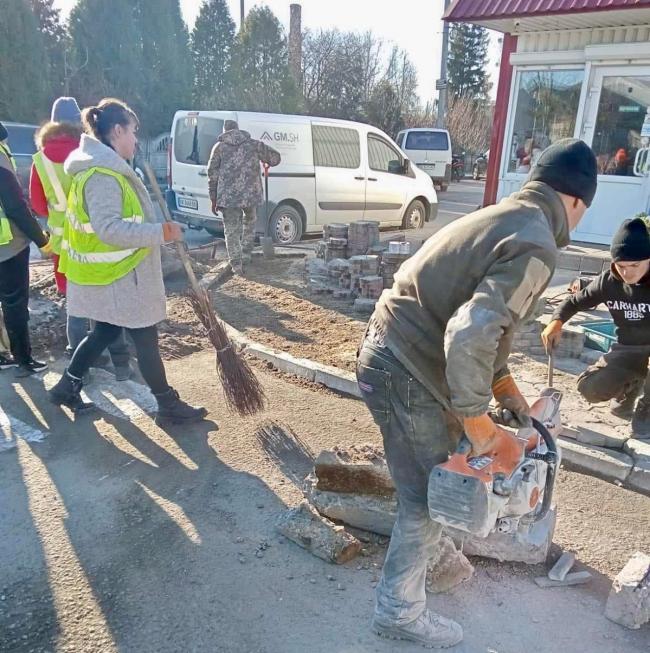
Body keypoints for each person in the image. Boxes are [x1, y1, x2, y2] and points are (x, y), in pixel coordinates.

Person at [357, 138, 597, 648]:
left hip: (394, 352)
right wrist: (478, 423)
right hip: (408, 364)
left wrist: (507, 393)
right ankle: (398, 610)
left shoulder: (509, 216)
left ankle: (431, 566)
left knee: (429, 481)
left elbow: (488, 334)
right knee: (429, 496)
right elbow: (468, 336)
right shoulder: (537, 242)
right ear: (576, 201)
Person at [48, 98, 207, 425]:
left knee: (104, 333)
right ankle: (167, 404)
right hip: (122, 275)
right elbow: (109, 229)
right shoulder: (103, 175)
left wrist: (159, 235)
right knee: (145, 339)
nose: (136, 139)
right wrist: (161, 232)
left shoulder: (108, 168)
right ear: (117, 131)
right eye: (133, 131)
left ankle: (67, 385)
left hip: (118, 272)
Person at [30, 96, 132, 380]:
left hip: (65, 246)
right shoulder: (92, 151)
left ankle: (82, 361)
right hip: (97, 239)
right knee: (108, 299)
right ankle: (121, 363)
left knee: (75, 303)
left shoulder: (40, 160)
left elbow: (38, 205)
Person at [542, 217, 650, 439]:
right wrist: (557, 321)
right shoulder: (609, 282)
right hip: (629, 347)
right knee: (589, 388)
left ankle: (646, 409)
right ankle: (632, 386)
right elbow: (573, 302)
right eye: (621, 266)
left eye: (635, 266)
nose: (627, 273)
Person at [0, 121, 52, 376]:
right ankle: (23, 359)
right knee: (14, 303)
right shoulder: (0, 157)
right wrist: (42, 239)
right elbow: (15, 206)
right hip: (7, 245)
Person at [207, 120, 281, 274]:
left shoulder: (219, 148)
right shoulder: (254, 145)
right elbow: (275, 158)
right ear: (238, 129)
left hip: (228, 197)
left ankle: (236, 264)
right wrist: (267, 163)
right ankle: (246, 254)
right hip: (250, 195)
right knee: (250, 222)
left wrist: (213, 198)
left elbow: (212, 174)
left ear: (225, 130)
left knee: (231, 230)